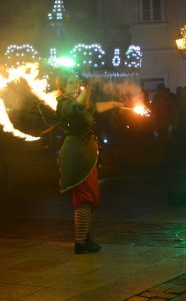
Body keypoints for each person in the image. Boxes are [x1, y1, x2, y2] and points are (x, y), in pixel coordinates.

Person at [56, 71, 122, 254]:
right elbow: (75, 108)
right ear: (62, 86)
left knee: (91, 197)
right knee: (85, 198)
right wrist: (87, 89)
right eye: (70, 83)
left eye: (76, 82)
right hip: (77, 156)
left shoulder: (78, 103)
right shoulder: (63, 103)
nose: (75, 85)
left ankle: (85, 237)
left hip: (85, 155)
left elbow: (92, 107)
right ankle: (80, 242)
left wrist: (114, 104)